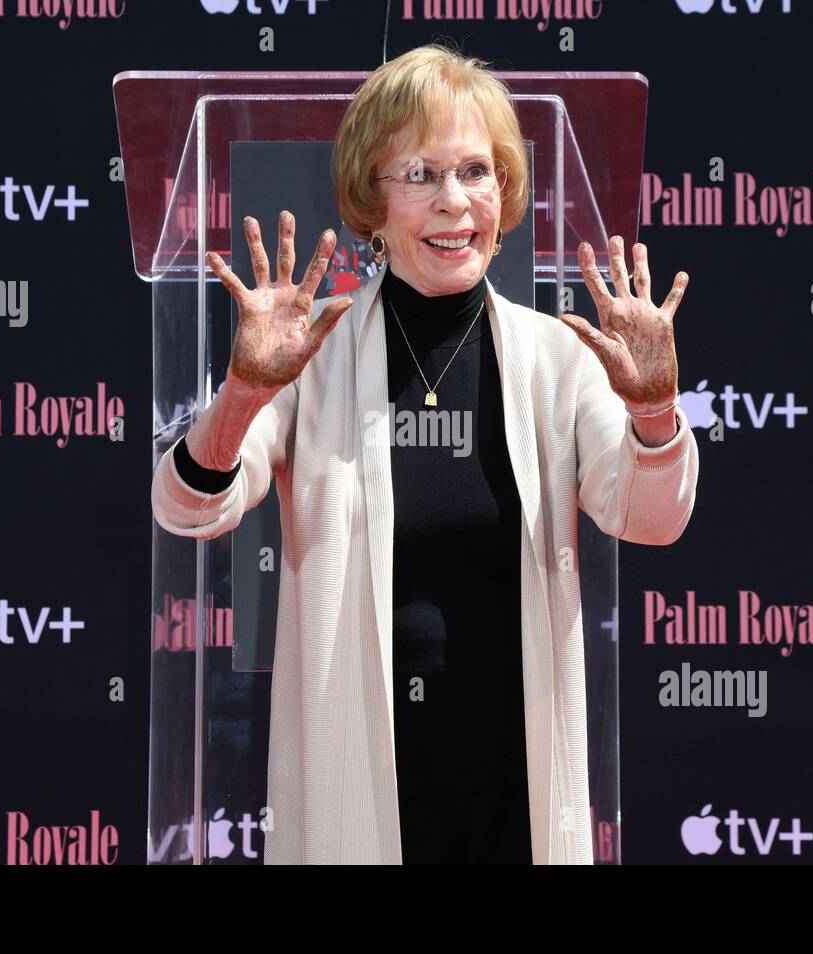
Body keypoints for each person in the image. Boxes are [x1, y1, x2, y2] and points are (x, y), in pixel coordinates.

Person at [151, 44, 700, 864]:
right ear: (371, 199)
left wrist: (653, 409)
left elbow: (652, 519)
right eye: (421, 176)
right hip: (358, 789)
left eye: (476, 172)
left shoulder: (557, 358)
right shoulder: (317, 353)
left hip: (516, 792)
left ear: (506, 190)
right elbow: (191, 506)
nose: (455, 204)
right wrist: (242, 393)